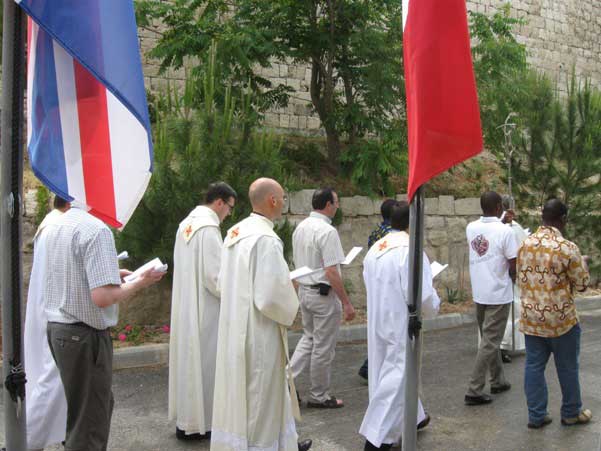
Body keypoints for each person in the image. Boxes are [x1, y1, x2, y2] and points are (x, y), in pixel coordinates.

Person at [44, 204, 165, 450]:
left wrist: (110, 273)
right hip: (84, 335)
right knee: (90, 423)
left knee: (80, 415)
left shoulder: (57, 223)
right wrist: (141, 282)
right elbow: (103, 297)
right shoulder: (96, 230)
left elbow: (70, 271)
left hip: (60, 329)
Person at [211, 178, 312, 451]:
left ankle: (282, 443)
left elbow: (222, 282)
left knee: (242, 394)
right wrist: (290, 288)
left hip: (234, 325)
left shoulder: (234, 232)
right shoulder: (266, 239)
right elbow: (270, 297)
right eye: (283, 198)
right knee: (260, 397)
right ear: (273, 200)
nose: (283, 203)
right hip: (258, 331)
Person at [359, 203, 440, 450]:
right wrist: (434, 305)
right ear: (414, 223)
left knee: (382, 372)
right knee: (397, 377)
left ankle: (414, 417)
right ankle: (376, 440)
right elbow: (422, 295)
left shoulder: (376, 248)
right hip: (400, 321)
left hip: (379, 318)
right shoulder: (410, 250)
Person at [168, 182, 237, 441]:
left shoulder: (186, 224)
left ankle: (187, 421)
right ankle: (203, 423)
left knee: (189, 364)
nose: (229, 213)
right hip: (206, 310)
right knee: (207, 364)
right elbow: (215, 277)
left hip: (187, 305)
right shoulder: (208, 228)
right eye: (229, 207)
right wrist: (238, 290)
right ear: (219, 202)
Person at [518, 198, 592, 429]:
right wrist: (584, 263)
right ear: (563, 219)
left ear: (543, 218)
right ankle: (571, 413)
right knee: (567, 367)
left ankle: (536, 415)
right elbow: (582, 284)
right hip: (561, 321)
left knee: (533, 366)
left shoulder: (525, 244)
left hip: (532, 318)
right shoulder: (567, 248)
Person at [290, 187, 356, 408]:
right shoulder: (327, 231)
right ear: (328, 205)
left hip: (305, 291)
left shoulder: (300, 228)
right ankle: (319, 395)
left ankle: (286, 380)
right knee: (323, 347)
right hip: (322, 295)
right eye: (336, 202)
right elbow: (330, 271)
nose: (337, 206)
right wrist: (346, 302)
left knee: (309, 338)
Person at [24, 196, 70, 451]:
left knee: (52, 378)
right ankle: (27, 441)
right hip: (57, 313)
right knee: (52, 379)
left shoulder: (51, 223)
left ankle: (62, 433)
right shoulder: (59, 228)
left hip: (48, 306)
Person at [464, 191, 518, 406]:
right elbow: (513, 263)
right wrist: (514, 280)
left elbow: (490, 234)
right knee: (489, 342)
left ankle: (498, 380)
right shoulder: (506, 232)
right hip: (498, 293)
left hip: (480, 292)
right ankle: (474, 389)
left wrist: (502, 220)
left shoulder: (471, 228)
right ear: (498, 207)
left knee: (489, 339)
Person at [359, 199, 398, 381]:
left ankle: (370, 365)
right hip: (389, 284)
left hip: (375, 280)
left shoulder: (376, 232)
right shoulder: (392, 235)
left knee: (379, 327)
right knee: (389, 330)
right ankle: (370, 366)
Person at [499, 196, 528, 363]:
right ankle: (503, 346)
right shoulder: (512, 227)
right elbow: (523, 250)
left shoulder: (491, 227)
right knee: (512, 312)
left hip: (494, 276)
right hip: (510, 275)